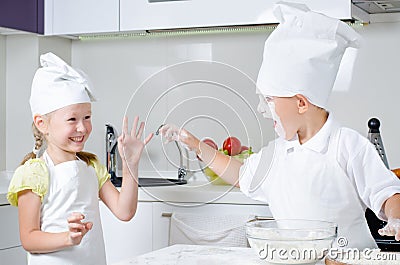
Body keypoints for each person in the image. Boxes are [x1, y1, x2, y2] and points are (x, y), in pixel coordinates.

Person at [159, 2, 400, 249]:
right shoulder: (277, 154)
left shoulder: (347, 145)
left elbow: (388, 195)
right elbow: (241, 175)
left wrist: (395, 217)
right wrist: (196, 145)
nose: (262, 109)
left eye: (269, 100)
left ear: (302, 103)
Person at [7, 53, 153, 265]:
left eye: (87, 117)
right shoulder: (34, 173)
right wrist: (67, 238)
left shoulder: (91, 167)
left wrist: (131, 164)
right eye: (72, 119)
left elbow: (125, 211)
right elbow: (29, 238)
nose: (82, 127)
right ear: (41, 123)